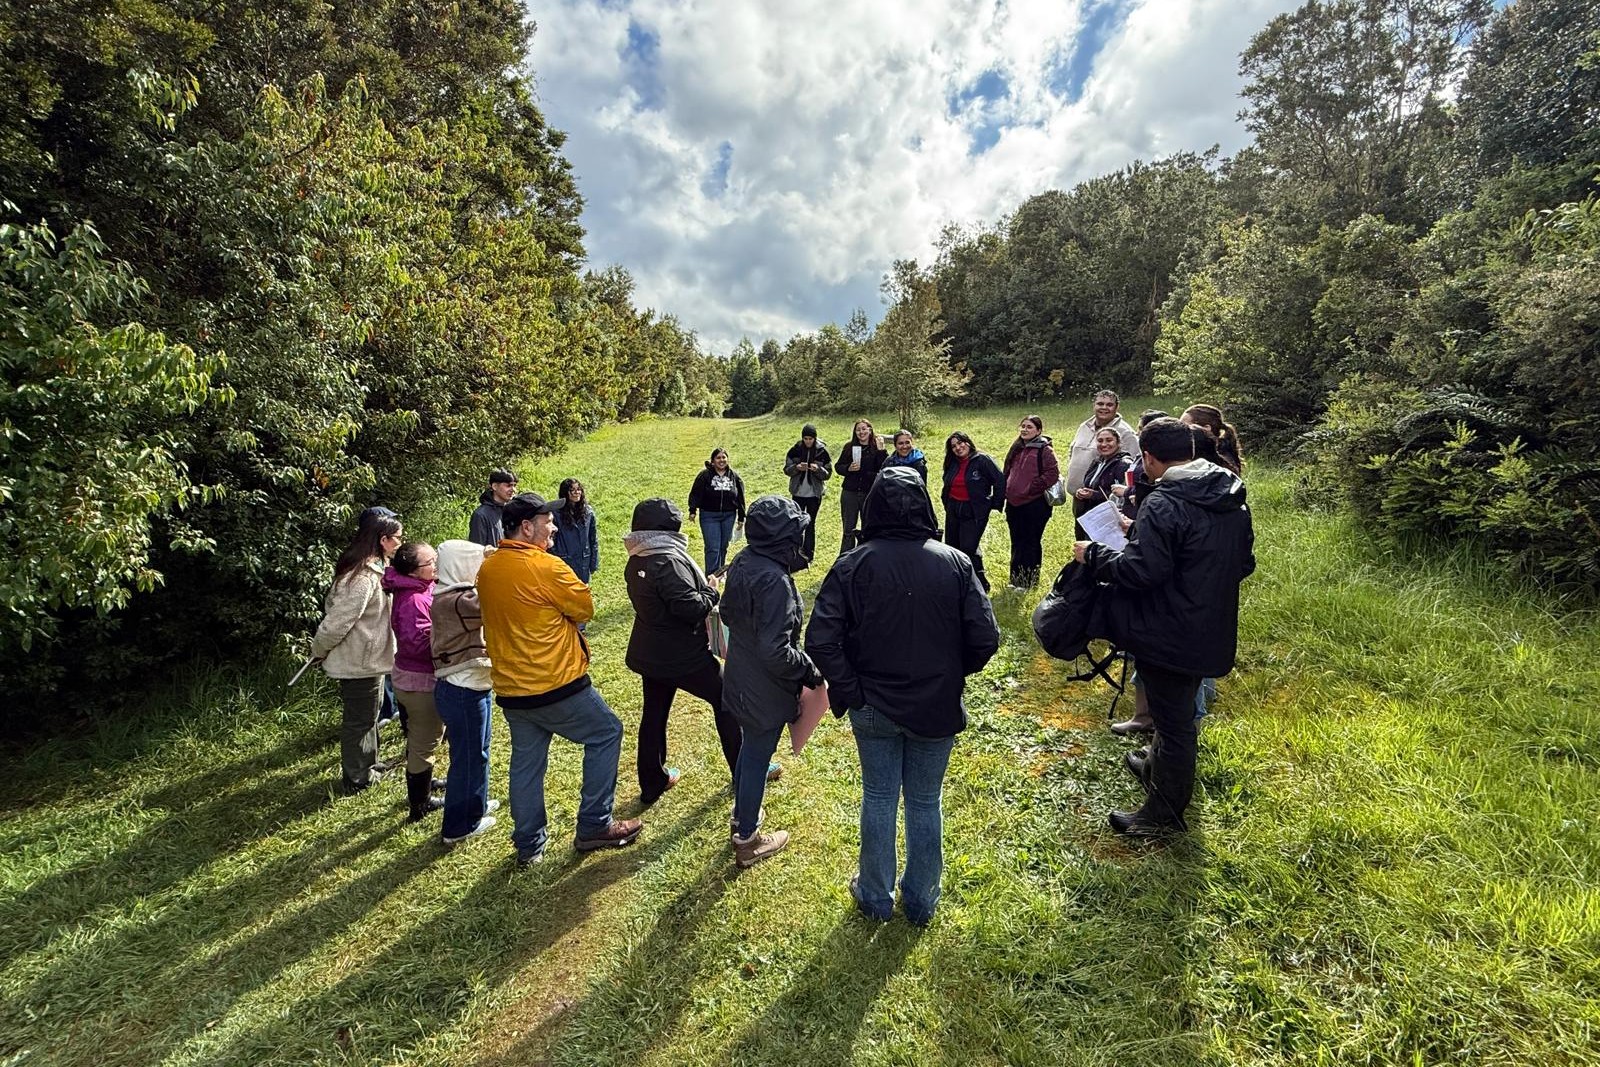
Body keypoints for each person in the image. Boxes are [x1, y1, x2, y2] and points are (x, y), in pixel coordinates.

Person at [806, 467, 1001, 924]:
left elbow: (821, 640)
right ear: (925, 506)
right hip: (919, 701)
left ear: (873, 505)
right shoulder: (954, 563)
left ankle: (878, 896)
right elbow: (984, 638)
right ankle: (918, 899)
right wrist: (946, 675)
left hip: (876, 702)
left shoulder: (853, 564)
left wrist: (854, 690)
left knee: (880, 796)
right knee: (922, 799)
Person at [1074, 418, 1255, 836]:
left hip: (1168, 628)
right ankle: (1155, 767)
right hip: (1210, 622)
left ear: (1149, 458)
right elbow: (1243, 563)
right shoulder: (1229, 495)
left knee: (1174, 726)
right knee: (1176, 709)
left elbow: (1142, 571)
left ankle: (1163, 817)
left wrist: (1095, 555)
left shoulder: (1164, 502)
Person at [477, 492, 641, 865]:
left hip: (512, 689)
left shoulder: (488, 568)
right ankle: (595, 824)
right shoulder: (546, 566)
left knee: (526, 765)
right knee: (607, 732)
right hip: (555, 684)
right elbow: (584, 608)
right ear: (526, 527)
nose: (554, 526)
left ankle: (529, 845)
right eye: (547, 521)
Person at [720, 495, 822, 868]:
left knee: (751, 750)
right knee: (757, 754)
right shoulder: (775, 581)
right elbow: (775, 650)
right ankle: (747, 839)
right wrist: (810, 671)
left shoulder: (743, 560)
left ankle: (741, 815)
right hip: (764, 688)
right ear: (783, 537)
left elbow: (727, 612)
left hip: (740, 677)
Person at [623, 497, 743, 805]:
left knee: (654, 713)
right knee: (727, 698)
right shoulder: (668, 562)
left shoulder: (637, 557)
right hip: (682, 655)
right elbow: (690, 608)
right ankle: (745, 771)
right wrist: (712, 589)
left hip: (650, 651)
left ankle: (653, 782)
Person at [312, 513, 402, 793]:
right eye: (397, 538)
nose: (400, 543)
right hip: (358, 660)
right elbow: (337, 622)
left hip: (371, 660)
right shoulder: (362, 577)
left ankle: (369, 765)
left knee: (369, 715)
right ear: (383, 540)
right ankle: (357, 778)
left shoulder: (378, 568)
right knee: (359, 721)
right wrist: (319, 650)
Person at [430, 539, 500, 844]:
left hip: (470, 685)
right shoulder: (457, 600)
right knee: (469, 759)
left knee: (478, 753)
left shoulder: (452, 594)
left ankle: (476, 806)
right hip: (462, 689)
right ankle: (459, 827)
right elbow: (495, 605)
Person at [383, 542, 447, 822]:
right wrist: (447, 637)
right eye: (430, 562)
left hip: (412, 677)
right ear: (412, 571)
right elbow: (418, 645)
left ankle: (426, 781)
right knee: (424, 741)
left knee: (421, 737)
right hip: (419, 681)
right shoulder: (414, 601)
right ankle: (420, 804)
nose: (436, 564)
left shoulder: (418, 588)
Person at [940, 430, 1004, 593]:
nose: (958, 448)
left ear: (968, 442)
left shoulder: (982, 460)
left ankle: (981, 583)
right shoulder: (952, 462)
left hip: (974, 509)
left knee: (969, 547)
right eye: (953, 446)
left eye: (960, 443)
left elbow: (999, 480)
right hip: (954, 508)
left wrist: (993, 503)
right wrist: (947, 503)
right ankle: (958, 582)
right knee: (952, 546)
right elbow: (947, 483)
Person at [1001, 415, 1060, 589]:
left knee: (1030, 542)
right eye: (1023, 426)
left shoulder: (1045, 450)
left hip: (1035, 504)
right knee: (1017, 541)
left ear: (1039, 431)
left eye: (1029, 427)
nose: (1025, 430)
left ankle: (1029, 582)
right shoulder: (1017, 447)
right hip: (1014, 504)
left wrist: (1031, 488)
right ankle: (1015, 579)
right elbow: (1007, 470)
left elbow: (1052, 474)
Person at [1065, 390, 1140, 492]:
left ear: (1117, 407)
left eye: (1109, 405)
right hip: (1078, 494)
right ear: (1094, 406)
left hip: (1103, 496)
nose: (1104, 407)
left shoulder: (1126, 433)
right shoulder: (1084, 426)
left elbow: (1132, 468)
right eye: (1100, 404)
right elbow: (1072, 452)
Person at [687, 448, 746, 574]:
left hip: (729, 515)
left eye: (724, 457)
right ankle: (711, 575)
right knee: (713, 547)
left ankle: (720, 572)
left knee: (723, 546)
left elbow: (740, 497)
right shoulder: (704, 476)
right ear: (713, 461)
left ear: (727, 459)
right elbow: (696, 493)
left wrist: (741, 517)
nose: (721, 460)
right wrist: (692, 510)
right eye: (718, 458)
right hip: (709, 516)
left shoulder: (734, 476)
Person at [783, 423, 832, 565]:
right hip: (798, 493)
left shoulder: (822, 452)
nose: (808, 441)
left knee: (810, 524)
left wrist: (818, 470)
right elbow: (786, 469)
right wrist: (796, 468)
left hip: (814, 494)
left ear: (815, 438)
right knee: (796, 524)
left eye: (811, 439)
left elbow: (828, 474)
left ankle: (809, 553)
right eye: (805, 439)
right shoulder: (795, 450)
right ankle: (796, 552)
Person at [834, 418, 885, 553]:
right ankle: (845, 556)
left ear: (870, 430)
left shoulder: (876, 448)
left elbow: (883, 470)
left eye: (864, 429)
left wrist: (881, 451)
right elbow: (838, 467)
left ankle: (866, 556)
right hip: (850, 492)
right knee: (848, 528)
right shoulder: (849, 447)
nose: (861, 432)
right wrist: (848, 468)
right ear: (855, 432)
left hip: (869, 493)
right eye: (858, 430)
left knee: (868, 527)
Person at [1073, 427, 1135, 526]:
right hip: (1090, 516)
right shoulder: (1097, 461)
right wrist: (1081, 492)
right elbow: (1089, 484)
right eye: (1100, 441)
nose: (1104, 444)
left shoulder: (1124, 464)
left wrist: (1094, 495)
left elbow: (1124, 496)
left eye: (1109, 440)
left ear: (1119, 443)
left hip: (1110, 521)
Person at [550, 477, 600, 584]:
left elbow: (593, 539)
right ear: (565, 492)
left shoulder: (588, 512)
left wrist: (593, 563)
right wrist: (557, 556)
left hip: (583, 562)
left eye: (578, 489)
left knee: (582, 589)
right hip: (564, 561)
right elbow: (550, 539)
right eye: (572, 490)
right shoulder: (556, 514)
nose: (576, 492)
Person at [1182, 403, 1244, 475]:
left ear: (1206, 429)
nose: (1180, 429)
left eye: (1185, 426)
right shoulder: (1222, 451)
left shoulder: (1217, 461)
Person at [469, 469, 518, 546]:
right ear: (494, 486)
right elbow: (476, 548)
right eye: (508, 486)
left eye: (514, 486)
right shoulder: (481, 515)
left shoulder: (514, 511)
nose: (513, 490)